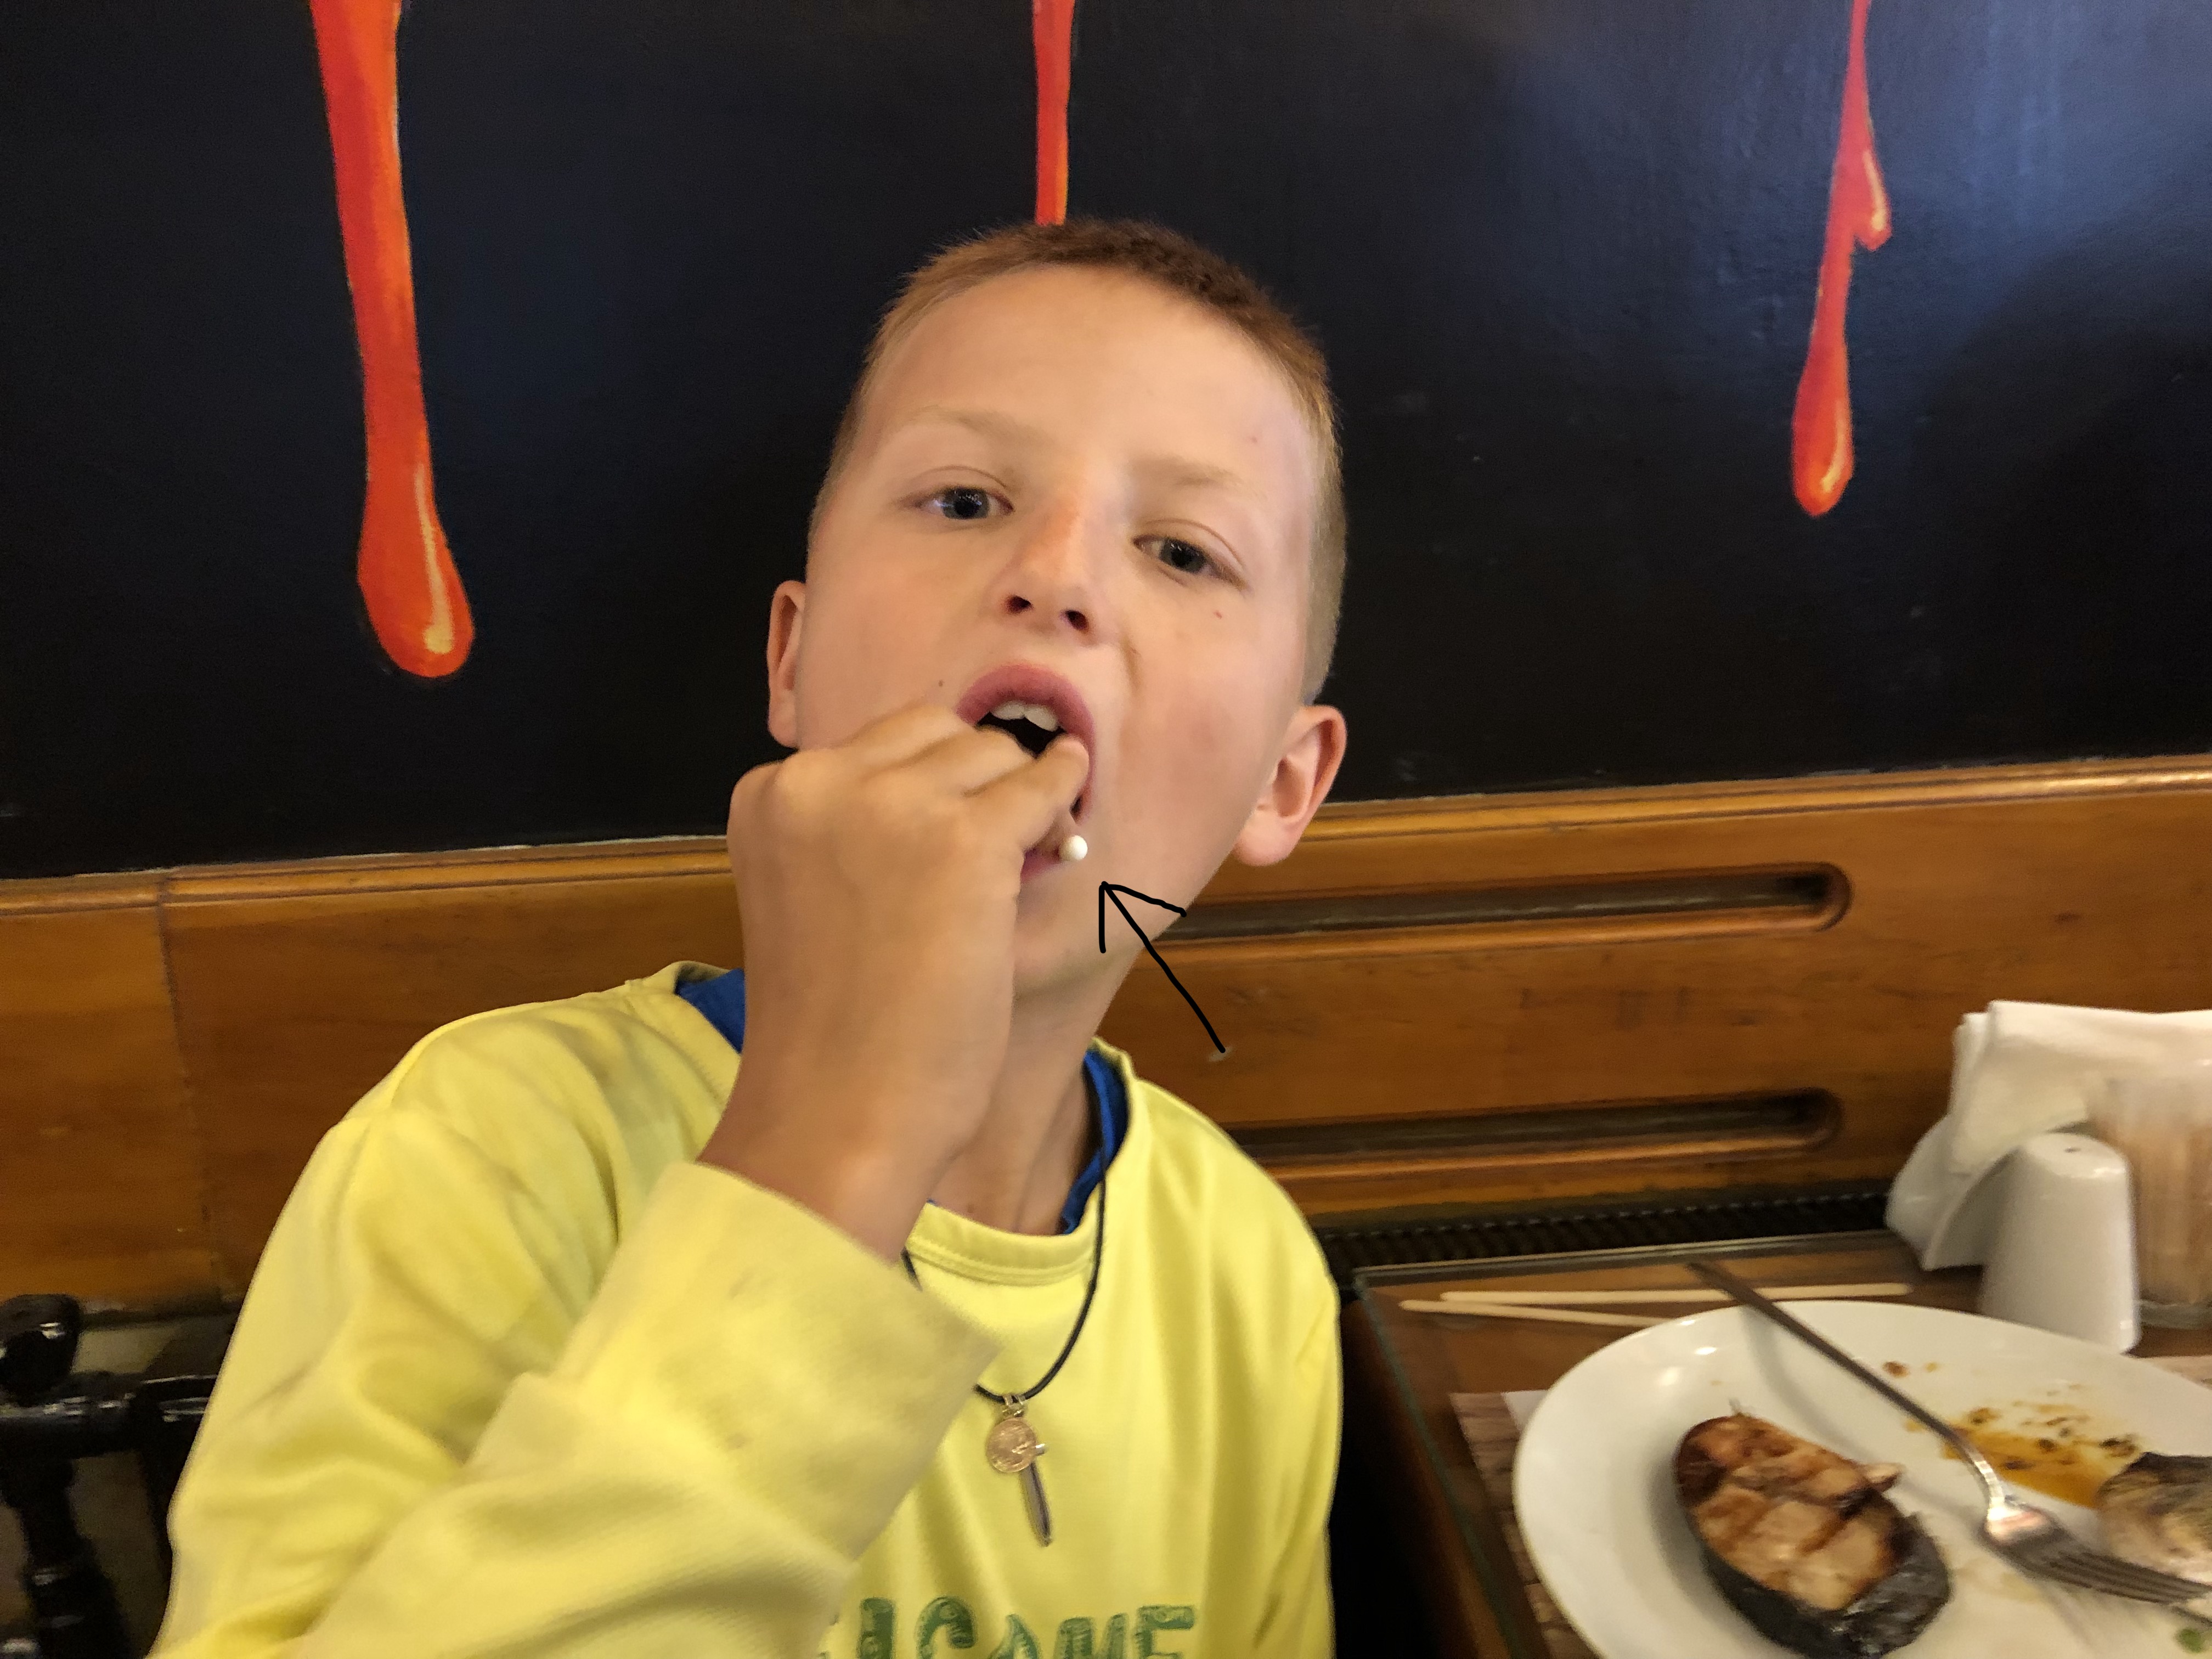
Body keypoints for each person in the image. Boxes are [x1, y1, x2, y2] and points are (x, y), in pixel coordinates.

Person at [151, 217, 1351, 1658]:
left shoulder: (1249, 1272)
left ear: (1284, 783)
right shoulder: (481, 1153)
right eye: (965, 499)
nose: (1057, 575)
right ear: (792, 660)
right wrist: (836, 1135)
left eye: (1183, 549)